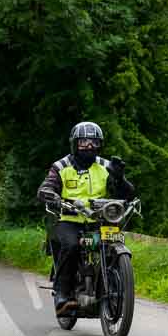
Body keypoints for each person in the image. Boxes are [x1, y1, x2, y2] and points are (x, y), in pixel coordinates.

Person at [37, 122, 135, 315]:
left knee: (114, 242)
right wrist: (54, 197)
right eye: (84, 142)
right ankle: (63, 294)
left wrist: (120, 179)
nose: (89, 146)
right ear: (75, 144)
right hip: (70, 220)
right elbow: (45, 188)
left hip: (101, 221)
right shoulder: (61, 166)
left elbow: (128, 194)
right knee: (72, 246)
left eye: (94, 142)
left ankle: (113, 285)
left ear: (100, 145)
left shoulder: (106, 166)